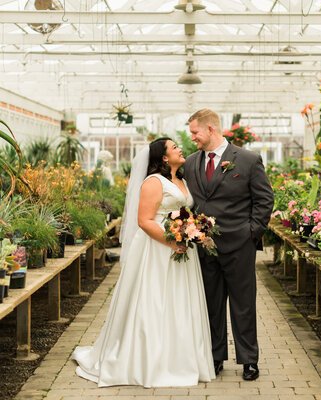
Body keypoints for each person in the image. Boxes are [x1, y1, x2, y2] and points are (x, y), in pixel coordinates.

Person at [72, 138, 215, 387]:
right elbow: (145, 220)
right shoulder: (153, 182)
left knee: (178, 302)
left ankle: (179, 359)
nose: (180, 148)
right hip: (157, 250)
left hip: (182, 249)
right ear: (163, 157)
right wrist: (172, 241)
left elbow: (184, 212)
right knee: (154, 300)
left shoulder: (181, 180)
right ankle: (148, 362)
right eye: (174, 147)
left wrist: (192, 229)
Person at [184, 109, 274, 381]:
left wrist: (251, 233)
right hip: (203, 246)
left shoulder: (247, 160)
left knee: (243, 304)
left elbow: (264, 200)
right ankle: (214, 357)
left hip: (239, 245)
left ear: (211, 129)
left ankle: (249, 360)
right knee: (210, 304)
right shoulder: (190, 162)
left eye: (195, 132)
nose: (193, 138)